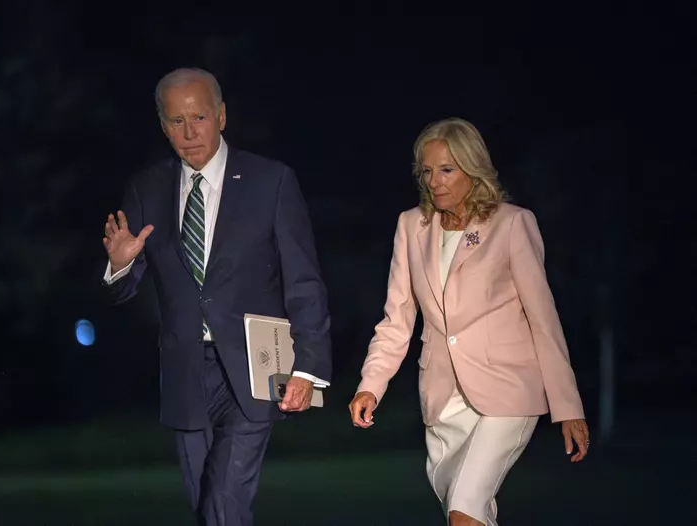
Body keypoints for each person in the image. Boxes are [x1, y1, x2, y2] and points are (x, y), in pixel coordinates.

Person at [101, 67, 332, 526]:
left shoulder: (272, 182)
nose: (189, 134)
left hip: (255, 368)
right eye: (176, 122)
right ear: (162, 125)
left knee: (224, 503)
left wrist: (307, 367)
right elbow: (123, 292)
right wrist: (121, 264)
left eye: (199, 118)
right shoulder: (147, 189)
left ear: (222, 116)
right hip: (186, 374)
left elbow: (303, 280)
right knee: (207, 507)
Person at [348, 117, 589, 526]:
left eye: (447, 169)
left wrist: (568, 405)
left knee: (464, 512)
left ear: (472, 168)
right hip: (443, 398)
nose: (434, 182)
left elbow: (543, 319)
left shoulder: (512, 223)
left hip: (508, 390)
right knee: (468, 516)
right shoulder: (411, 227)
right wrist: (370, 385)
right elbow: (398, 318)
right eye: (426, 171)